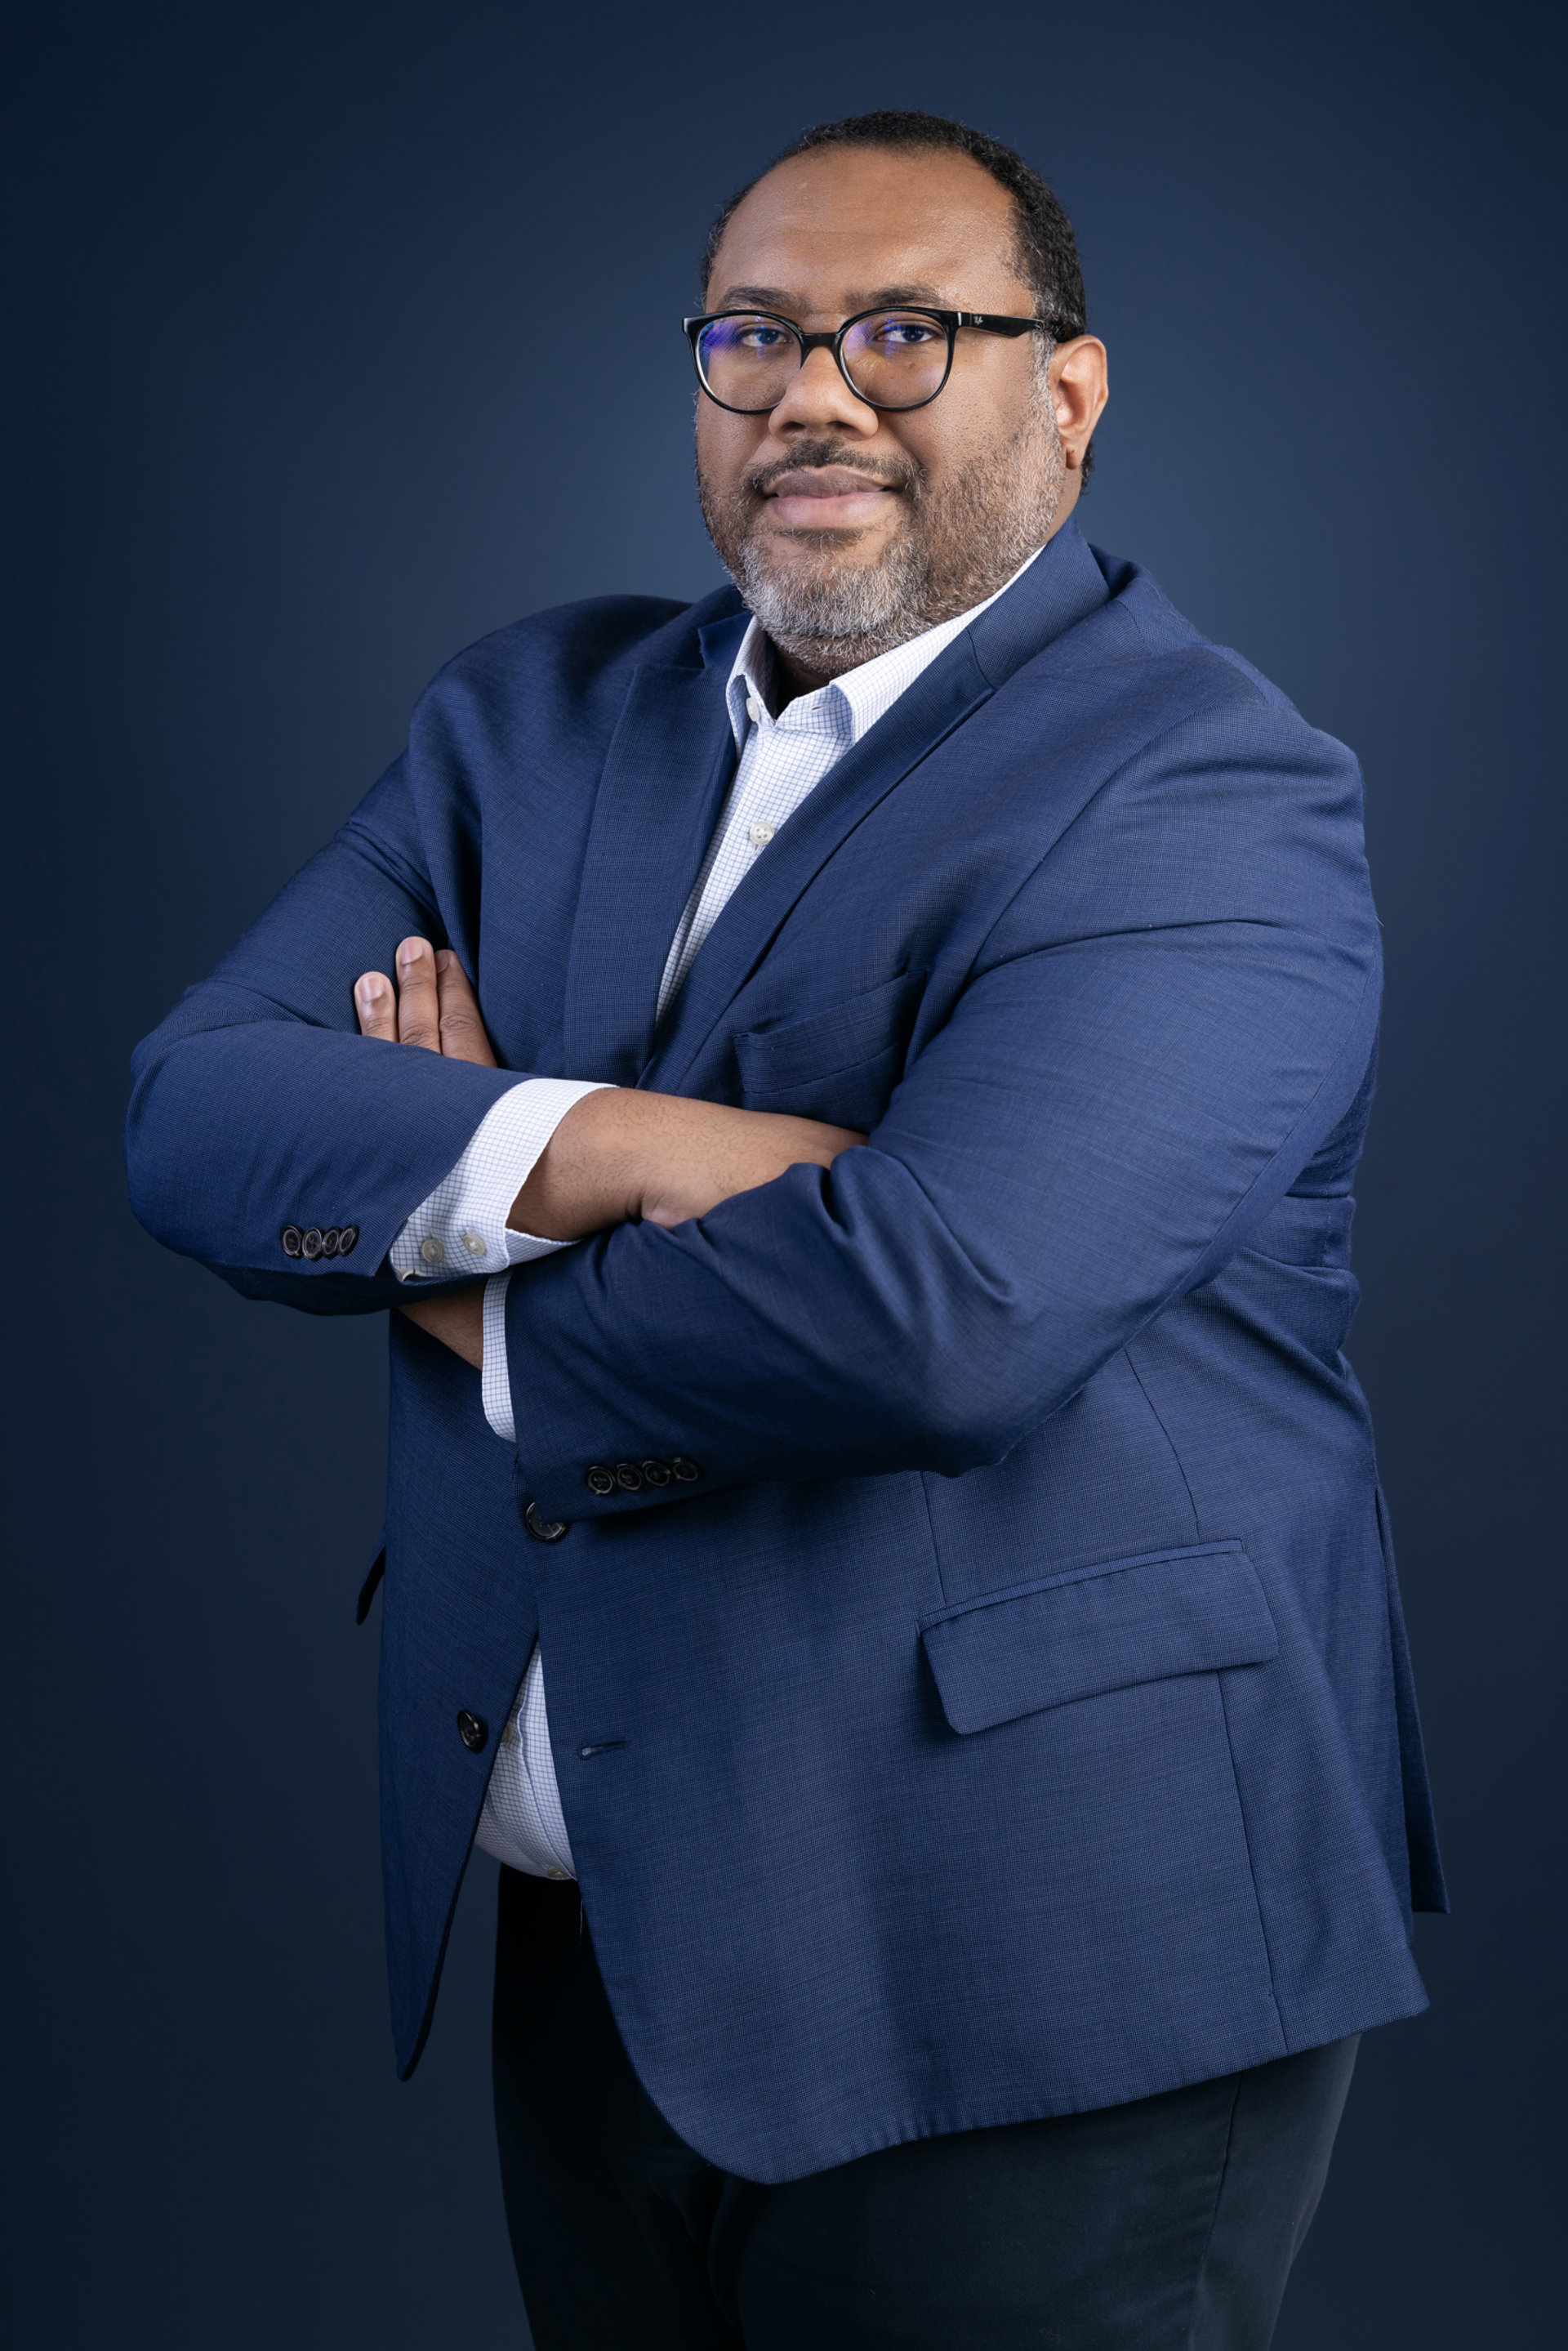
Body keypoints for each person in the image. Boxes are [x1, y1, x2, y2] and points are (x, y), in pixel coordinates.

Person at [127, 109, 1446, 2350]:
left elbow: (940, 1312)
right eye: (754, 334)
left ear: (1069, 393)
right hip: (611, 1923)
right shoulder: (527, 721)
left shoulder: (1204, 792)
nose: (813, 392)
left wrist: (461, 1239)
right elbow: (198, 1112)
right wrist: (641, 1145)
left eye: (905, 332)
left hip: (1035, 1947)